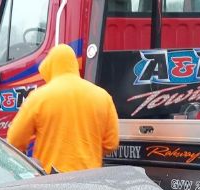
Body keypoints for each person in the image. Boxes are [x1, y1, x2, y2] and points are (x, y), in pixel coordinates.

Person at [7, 44, 120, 173]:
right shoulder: (102, 96)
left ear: (50, 67)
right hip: (90, 179)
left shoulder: (38, 98)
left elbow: (14, 140)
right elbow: (111, 143)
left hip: (51, 179)